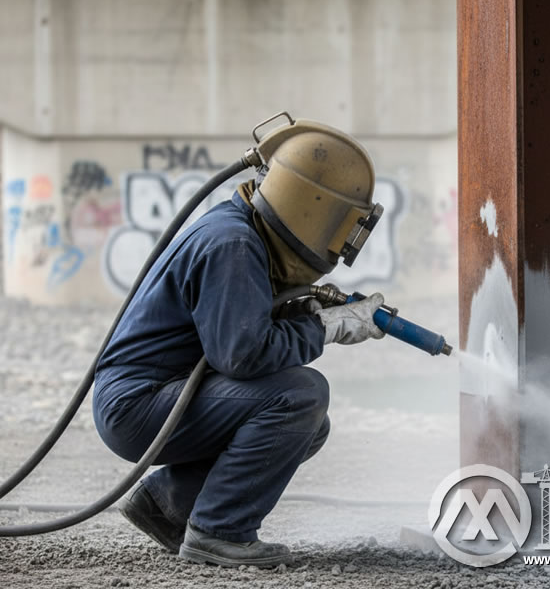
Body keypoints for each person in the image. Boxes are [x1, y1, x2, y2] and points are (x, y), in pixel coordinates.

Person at [92, 119, 386, 568]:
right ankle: (218, 531)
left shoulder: (244, 232)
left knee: (309, 426)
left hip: (151, 396)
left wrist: (313, 316)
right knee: (302, 395)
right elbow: (243, 355)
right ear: (311, 205)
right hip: (139, 405)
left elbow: (240, 335)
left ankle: (168, 505)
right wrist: (325, 327)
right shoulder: (232, 244)